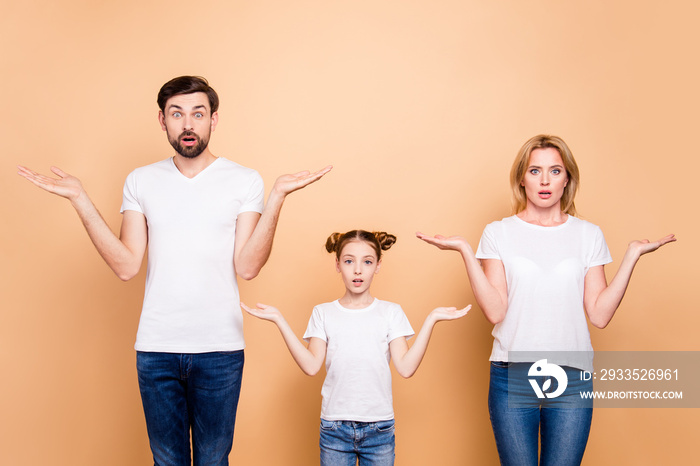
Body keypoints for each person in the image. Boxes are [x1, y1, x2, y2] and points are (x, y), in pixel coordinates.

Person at [17, 75, 332, 466]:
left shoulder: (244, 180)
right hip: (156, 349)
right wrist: (80, 200)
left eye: (198, 114)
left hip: (220, 349)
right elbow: (127, 265)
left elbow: (248, 266)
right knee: (167, 462)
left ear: (213, 120)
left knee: (213, 461)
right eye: (177, 114)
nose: (188, 124)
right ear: (162, 120)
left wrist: (277, 199)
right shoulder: (141, 180)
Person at [417, 134, 675, 466]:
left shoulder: (588, 234)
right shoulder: (499, 232)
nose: (544, 180)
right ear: (521, 179)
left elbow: (598, 314)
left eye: (555, 171)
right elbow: (496, 311)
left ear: (567, 179)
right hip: (513, 374)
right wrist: (466, 251)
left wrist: (631, 257)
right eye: (535, 171)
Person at [242, 230, 470, 465]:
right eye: (349, 261)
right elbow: (311, 366)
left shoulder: (391, 313)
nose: (358, 270)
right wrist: (280, 320)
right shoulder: (323, 313)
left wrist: (431, 319)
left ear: (378, 266)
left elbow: (406, 368)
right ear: (338, 264)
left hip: (379, 429)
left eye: (367, 262)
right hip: (334, 429)